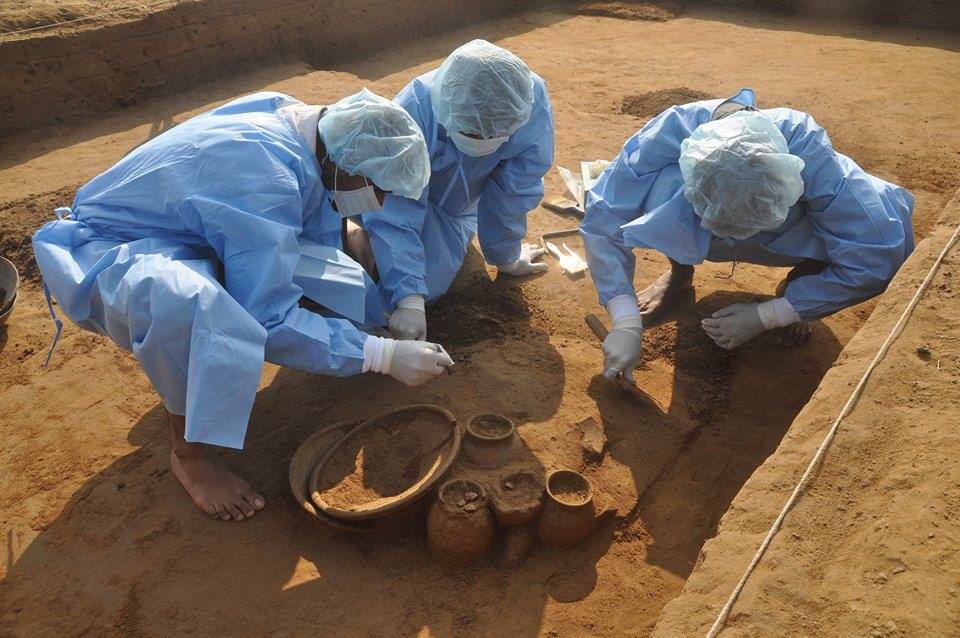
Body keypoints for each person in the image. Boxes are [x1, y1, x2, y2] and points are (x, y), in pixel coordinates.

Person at [32, 89, 453, 522]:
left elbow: (302, 232)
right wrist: (381, 356)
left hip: (188, 231)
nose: (378, 202)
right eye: (376, 188)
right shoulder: (266, 182)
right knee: (196, 306)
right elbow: (267, 317)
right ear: (344, 163)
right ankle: (190, 456)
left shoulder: (304, 127)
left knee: (334, 263)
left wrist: (385, 316)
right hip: (113, 251)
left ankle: (347, 343)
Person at [581, 88, 914, 381]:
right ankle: (680, 272)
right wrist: (625, 320)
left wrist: (769, 315)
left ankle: (799, 288)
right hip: (702, 204)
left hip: (794, 229)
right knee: (659, 194)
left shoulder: (808, 151)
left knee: (852, 233)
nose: (732, 236)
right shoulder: (669, 134)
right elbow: (603, 218)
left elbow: (875, 256)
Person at [356, 39, 555, 341]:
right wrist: (409, 299)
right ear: (445, 112)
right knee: (360, 268)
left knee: (429, 285)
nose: (480, 140)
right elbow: (394, 204)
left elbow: (513, 190)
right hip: (401, 196)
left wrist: (507, 257)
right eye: (468, 132)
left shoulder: (526, 101)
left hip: (457, 210)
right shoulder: (415, 109)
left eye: (492, 134)